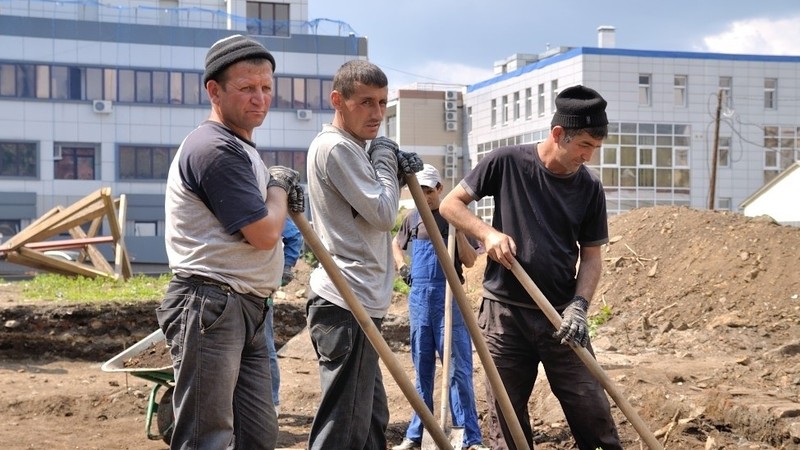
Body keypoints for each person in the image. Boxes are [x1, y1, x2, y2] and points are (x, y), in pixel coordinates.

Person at [440, 85, 622, 450]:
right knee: (507, 418)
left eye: (595, 148)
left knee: (592, 408)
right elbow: (450, 205)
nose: (588, 156)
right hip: (504, 314)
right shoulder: (507, 162)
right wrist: (488, 234)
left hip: (559, 317)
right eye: (584, 145)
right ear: (558, 135)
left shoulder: (588, 188)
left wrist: (580, 307)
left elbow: (591, 257)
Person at [156, 34, 304, 450]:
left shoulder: (241, 147)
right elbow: (263, 233)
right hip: (211, 305)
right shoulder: (214, 148)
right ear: (214, 90)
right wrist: (278, 186)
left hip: (246, 306)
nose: (260, 99)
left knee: (258, 435)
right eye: (247, 89)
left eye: (266, 88)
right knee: (207, 438)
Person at [304, 59, 423, 450]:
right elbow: (385, 212)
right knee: (344, 427)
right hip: (345, 301)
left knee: (370, 420)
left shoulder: (357, 149)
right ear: (338, 100)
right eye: (366, 102)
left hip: (359, 301)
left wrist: (380, 156)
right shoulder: (338, 148)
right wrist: (386, 156)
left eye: (383, 103)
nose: (376, 114)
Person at [390, 164, 488, 450]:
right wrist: (402, 268)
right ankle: (417, 433)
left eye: (430, 191)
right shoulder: (412, 219)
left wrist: (457, 233)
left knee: (458, 369)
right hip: (420, 300)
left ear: (440, 189)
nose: (426, 197)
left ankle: (468, 437)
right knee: (422, 370)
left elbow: (470, 262)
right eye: (419, 191)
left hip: (449, 300)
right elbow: (396, 245)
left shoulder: (453, 216)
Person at [264, 216, 304, 417]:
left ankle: (272, 402)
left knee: (264, 345)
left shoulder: (262, 201)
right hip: (244, 284)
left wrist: (286, 267)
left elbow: (294, 235)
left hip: (261, 286)